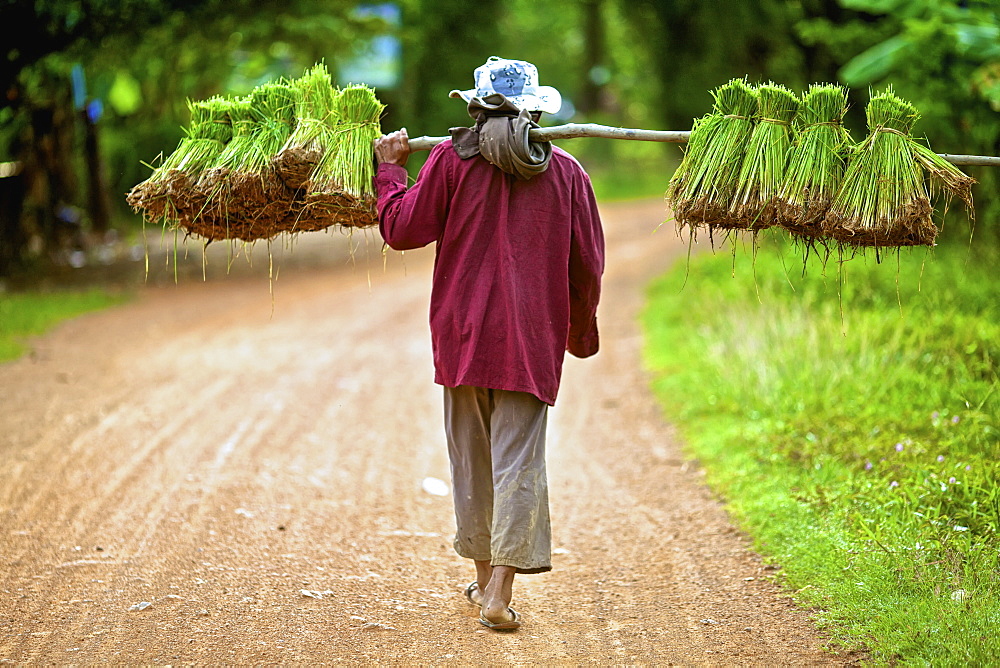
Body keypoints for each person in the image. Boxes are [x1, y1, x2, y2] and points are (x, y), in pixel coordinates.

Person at [373, 56, 605, 631]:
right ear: (534, 111)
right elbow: (588, 267)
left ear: (475, 108)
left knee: (471, 459)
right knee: (518, 461)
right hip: (531, 340)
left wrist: (390, 172)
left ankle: (483, 580)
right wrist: (578, 332)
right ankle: (496, 591)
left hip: (461, 335)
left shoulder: (451, 161)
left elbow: (402, 229)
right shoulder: (569, 174)